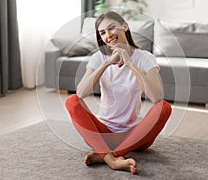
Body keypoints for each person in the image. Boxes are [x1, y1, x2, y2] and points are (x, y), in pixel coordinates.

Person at [65, 11, 172, 174]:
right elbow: (80, 93)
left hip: (135, 135)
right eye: (102, 32)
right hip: (103, 133)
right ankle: (113, 160)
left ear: (125, 26)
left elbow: (156, 97)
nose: (108, 35)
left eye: (111, 28)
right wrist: (106, 63)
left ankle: (105, 155)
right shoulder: (99, 58)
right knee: (71, 101)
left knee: (164, 108)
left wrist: (131, 64)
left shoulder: (145, 58)